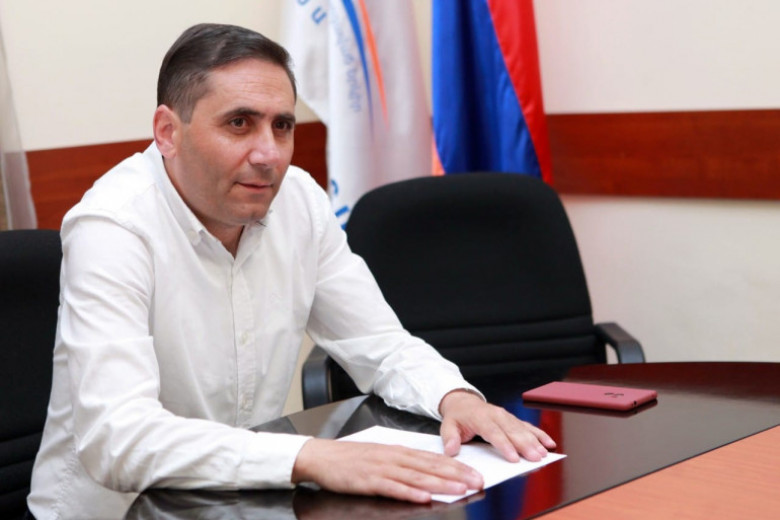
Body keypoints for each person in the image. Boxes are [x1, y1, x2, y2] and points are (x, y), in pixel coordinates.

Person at [27, 23, 555, 518]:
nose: (269, 154)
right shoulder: (112, 227)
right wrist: (309, 456)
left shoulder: (299, 200)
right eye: (239, 123)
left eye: (282, 126)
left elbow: (380, 344)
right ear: (168, 132)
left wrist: (453, 397)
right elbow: (119, 437)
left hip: (242, 501)